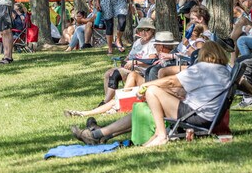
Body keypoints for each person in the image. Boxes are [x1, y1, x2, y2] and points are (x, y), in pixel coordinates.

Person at [70, 41, 231, 146]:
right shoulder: (226, 71)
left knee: (152, 92)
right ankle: (99, 134)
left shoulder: (203, 68)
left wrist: (147, 85)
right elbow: (246, 88)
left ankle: (161, 135)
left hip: (197, 116)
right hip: (207, 115)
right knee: (146, 107)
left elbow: (171, 81)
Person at [64, 18, 157, 118]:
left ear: (152, 30)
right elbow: (129, 56)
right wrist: (125, 60)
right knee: (109, 73)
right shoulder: (138, 42)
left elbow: (152, 61)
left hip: (142, 73)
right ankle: (101, 104)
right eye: (141, 30)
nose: (143, 32)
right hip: (132, 69)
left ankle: (106, 103)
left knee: (116, 76)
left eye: (146, 29)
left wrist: (134, 62)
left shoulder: (153, 43)